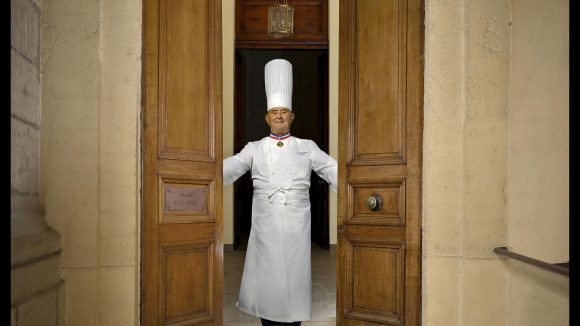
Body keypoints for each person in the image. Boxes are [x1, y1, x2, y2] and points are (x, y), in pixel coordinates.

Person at [223, 58, 337, 326]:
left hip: (297, 224)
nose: (278, 116)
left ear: (291, 117)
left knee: (294, 278)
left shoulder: (307, 146)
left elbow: (333, 169)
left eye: (283, 112)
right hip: (265, 224)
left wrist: (359, 187)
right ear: (267, 117)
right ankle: (268, 321)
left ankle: (294, 322)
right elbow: (228, 169)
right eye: (274, 112)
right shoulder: (254, 148)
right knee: (267, 278)